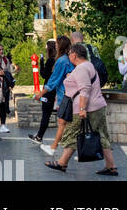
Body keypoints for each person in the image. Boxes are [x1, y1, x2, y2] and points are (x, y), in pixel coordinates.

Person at [45, 43, 118, 176]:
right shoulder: (88, 65)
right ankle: (111, 166)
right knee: (101, 135)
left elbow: (85, 89)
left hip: (85, 108)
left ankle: (62, 163)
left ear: (74, 55)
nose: (69, 57)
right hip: (97, 106)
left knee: (72, 133)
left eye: (70, 55)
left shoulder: (82, 68)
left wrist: (82, 108)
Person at [41, 35, 74, 156]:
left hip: (66, 97)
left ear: (59, 46)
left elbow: (53, 81)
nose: (55, 46)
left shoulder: (61, 61)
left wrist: (41, 93)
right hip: (68, 96)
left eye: (56, 44)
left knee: (62, 123)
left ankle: (54, 148)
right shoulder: (68, 59)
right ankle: (65, 151)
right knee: (67, 125)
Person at [31, 39, 57, 143]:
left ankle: (39, 137)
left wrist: (41, 63)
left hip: (48, 90)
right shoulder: (58, 60)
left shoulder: (51, 60)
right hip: (55, 90)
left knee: (46, 114)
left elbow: (44, 74)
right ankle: (39, 136)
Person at [0, 45, 15, 133]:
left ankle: (3, 125)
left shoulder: (5, 60)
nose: (1, 51)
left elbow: (9, 72)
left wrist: (8, 80)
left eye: (2, 49)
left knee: (4, 105)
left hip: (4, 85)